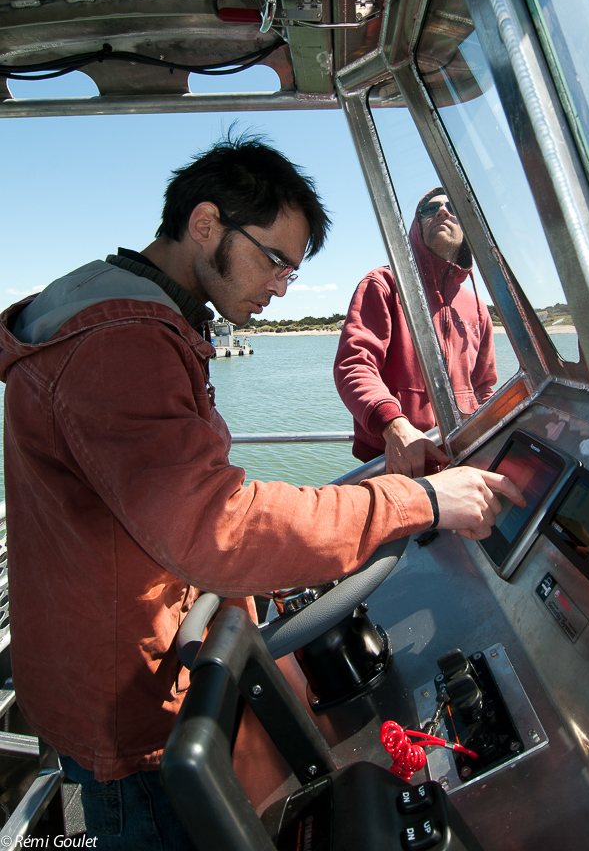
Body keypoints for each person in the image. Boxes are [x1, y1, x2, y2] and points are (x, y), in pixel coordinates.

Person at [0, 138, 521, 849]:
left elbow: (190, 497)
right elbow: (218, 529)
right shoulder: (119, 344)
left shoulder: (138, 316)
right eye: (275, 261)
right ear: (206, 224)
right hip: (134, 714)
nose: (282, 286)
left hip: (138, 663)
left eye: (293, 271)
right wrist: (425, 502)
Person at [334, 188, 497, 478]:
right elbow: (354, 365)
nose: (442, 211)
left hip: (461, 460)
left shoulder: (478, 308)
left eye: (452, 206)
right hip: (392, 463)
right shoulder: (383, 284)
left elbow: (483, 387)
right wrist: (394, 425)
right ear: (416, 226)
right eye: (429, 209)